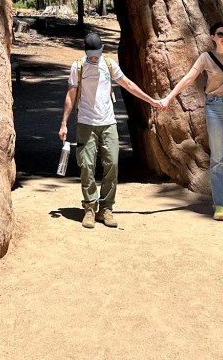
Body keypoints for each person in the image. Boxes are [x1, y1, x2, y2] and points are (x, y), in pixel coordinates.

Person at [58, 31, 164, 229]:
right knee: (87, 166)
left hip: (108, 123)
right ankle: (90, 207)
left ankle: (106, 208)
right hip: (86, 123)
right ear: (86, 51)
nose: (94, 56)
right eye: (91, 53)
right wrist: (64, 123)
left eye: (97, 52)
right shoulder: (78, 67)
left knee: (112, 165)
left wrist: (151, 101)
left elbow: (128, 84)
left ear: (101, 49)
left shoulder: (109, 65)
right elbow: (71, 96)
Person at [160, 20, 223, 221]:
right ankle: (219, 206)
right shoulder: (206, 58)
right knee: (217, 159)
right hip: (214, 107)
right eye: (220, 33)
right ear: (213, 37)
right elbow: (188, 79)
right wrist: (169, 97)